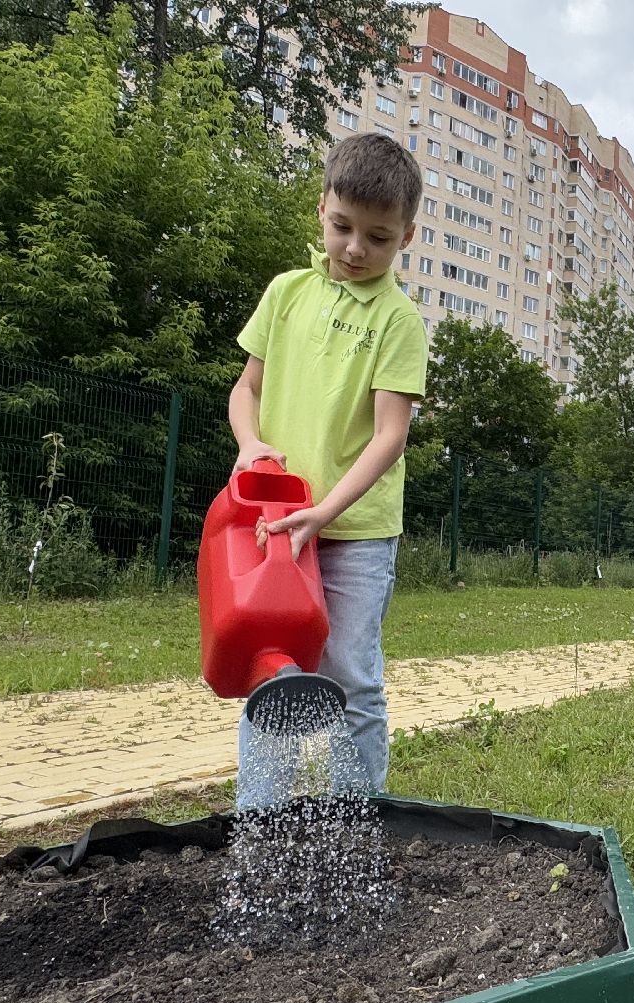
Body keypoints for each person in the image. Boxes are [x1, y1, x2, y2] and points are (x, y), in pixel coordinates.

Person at [227, 132, 428, 807]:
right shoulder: (285, 293)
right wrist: (250, 444)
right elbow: (246, 389)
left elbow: (390, 436)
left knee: (349, 675)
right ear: (321, 209)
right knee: (271, 669)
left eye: (378, 237)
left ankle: (356, 816)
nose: (355, 248)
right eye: (343, 227)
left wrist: (325, 512)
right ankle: (262, 817)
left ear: (406, 237)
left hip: (356, 533)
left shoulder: (399, 321)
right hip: (276, 522)